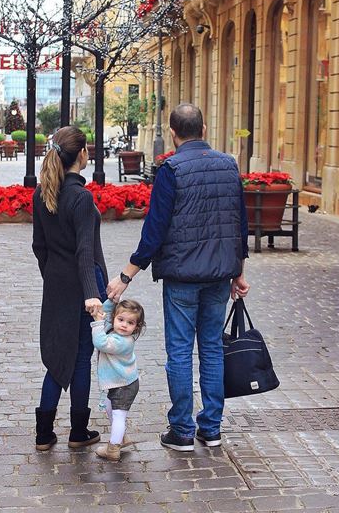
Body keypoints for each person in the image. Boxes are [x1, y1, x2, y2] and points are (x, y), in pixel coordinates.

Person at [107, 103, 250, 451]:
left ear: (173, 133)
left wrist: (127, 274)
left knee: (181, 351)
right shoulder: (228, 164)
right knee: (213, 349)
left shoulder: (170, 168)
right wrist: (238, 271)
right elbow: (240, 223)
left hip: (183, 276)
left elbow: (155, 228)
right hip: (219, 274)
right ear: (204, 129)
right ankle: (211, 428)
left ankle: (183, 430)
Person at [32, 125, 105, 451]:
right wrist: (92, 295)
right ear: (82, 154)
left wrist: (52, 275)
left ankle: (44, 434)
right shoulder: (81, 198)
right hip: (82, 289)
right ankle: (78, 431)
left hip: (56, 286)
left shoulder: (41, 193)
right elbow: (85, 252)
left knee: (57, 359)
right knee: (79, 360)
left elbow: (39, 247)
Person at [90, 298, 145, 461]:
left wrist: (98, 322)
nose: (124, 325)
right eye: (120, 320)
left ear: (136, 327)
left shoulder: (122, 341)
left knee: (119, 415)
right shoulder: (115, 331)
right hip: (119, 383)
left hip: (125, 386)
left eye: (130, 323)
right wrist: (111, 301)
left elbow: (100, 342)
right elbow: (107, 314)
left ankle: (113, 448)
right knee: (109, 406)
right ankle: (120, 438)